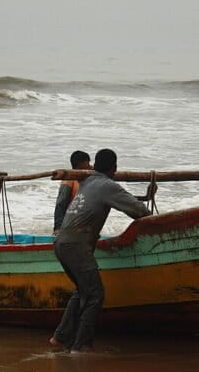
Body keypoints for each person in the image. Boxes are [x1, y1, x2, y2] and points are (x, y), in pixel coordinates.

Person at [49, 148, 156, 353]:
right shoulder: (107, 185)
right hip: (76, 246)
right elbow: (138, 211)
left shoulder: (88, 181)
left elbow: (124, 199)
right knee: (95, 294)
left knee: (82, 291)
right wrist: (157, 222)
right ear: (114, 168)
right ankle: (81, 346)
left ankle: (61, 337)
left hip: (62, 243)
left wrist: (144, 196)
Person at [54, 150, 92, 236]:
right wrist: (58, 228)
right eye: (87, 163)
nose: (90, 166)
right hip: (71, 222)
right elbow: (60, 205)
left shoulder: (90, 177)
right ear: (80, 165)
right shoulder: (69, 180)